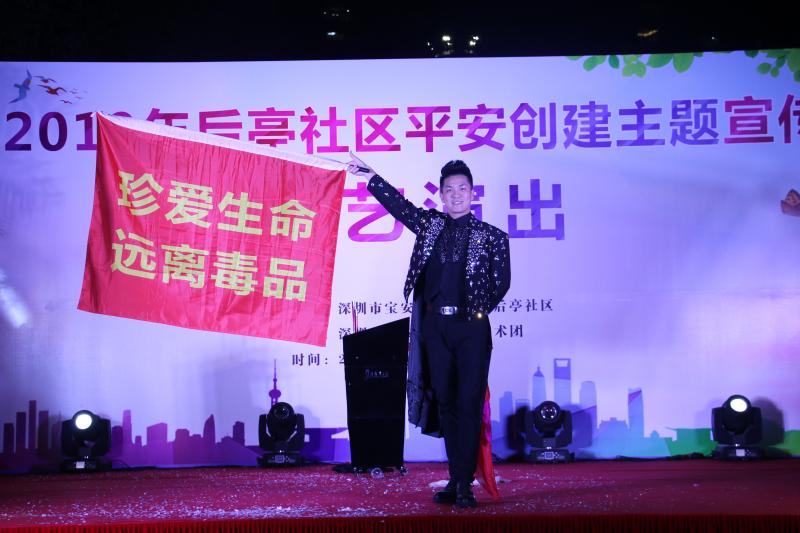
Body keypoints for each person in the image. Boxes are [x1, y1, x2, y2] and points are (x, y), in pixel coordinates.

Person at [346, 153, 511, 508]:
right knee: (447, 404)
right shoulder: (431, 225)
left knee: (468, 405)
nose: (456, 195)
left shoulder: (492, 237)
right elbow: (400, 208)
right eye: (449, 189)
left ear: (472, 193)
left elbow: (501, 283)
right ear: (441, 194)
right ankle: (456, 478)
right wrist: (371, 176)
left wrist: (475, 311)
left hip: (471, 330)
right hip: (435, 329)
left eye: (462, 189)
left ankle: (464, 484)